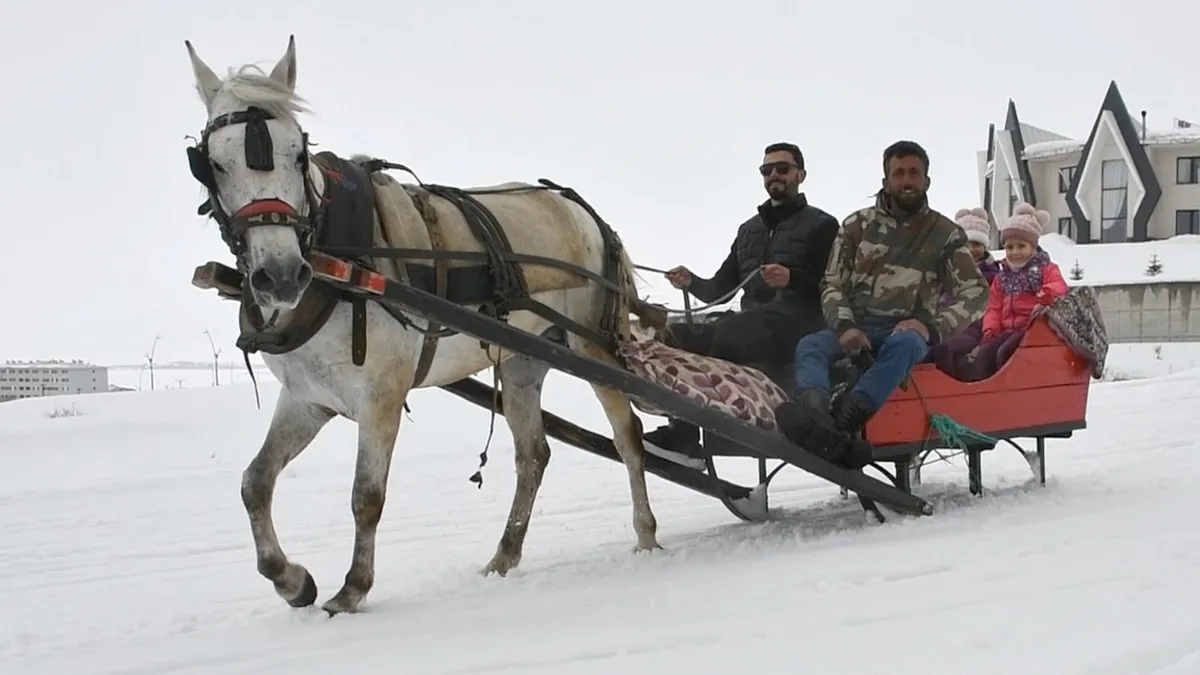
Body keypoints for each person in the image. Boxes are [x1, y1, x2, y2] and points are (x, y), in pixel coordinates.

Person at [774, 140, 989, 467]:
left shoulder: (945, 234)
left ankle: (846, 418)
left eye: (914, 173)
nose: (907, 180)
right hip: (856, 326)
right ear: (886, 180)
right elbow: (832, 283)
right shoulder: (855, 227)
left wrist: (931, 327)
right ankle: (817, 418)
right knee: (810, 346)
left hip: (905, 332)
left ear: (927, 181)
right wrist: (845, 328)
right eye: (898, 173)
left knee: (907, 344)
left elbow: (976, 292)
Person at [644, 141, 841, 457]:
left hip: (800, 324)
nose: (774, 175)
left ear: (800, 175)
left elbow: (836, 285)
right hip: (751, 325)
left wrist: (793, 279)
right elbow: (719, 290)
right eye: (767, 169)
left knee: (732, 331)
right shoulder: (748, 231)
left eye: (783, 168)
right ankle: (683, 435)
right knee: (674, 336)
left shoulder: (823, 225)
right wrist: (692, 281)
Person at [936, 202, 1068, 381]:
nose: (1015, 252)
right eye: (1010, 247)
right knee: (985, 354)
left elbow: (1060, 287)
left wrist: (1046, 293)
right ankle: (981, 388)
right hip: (1005, 330)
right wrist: (991, 328)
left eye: (1021, 246)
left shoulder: (1044, 269)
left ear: (1033, 246)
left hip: (1030, 329)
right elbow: (994, 306)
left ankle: (1006, 386)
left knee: (1004, 352)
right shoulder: (1003, 277)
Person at [926, 207, 1000, 372]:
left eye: (976, 244)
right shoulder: (947, 272)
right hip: (945, 325)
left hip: (972, 328)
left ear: (984, 246)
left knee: (945, 348)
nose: (971, 250)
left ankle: (947, 384)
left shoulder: (991, 275)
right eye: (966, 245)